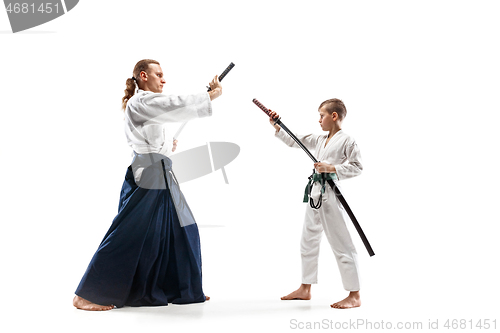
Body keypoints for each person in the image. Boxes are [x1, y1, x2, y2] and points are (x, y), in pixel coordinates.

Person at [73, 59, 222, 311]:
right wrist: (209, 96)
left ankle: (179, 288)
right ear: (143, 76)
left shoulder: (148, 105)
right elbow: (173, 104)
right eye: (159, 74)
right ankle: (87, 294)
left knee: (180, 229)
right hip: (149, 174)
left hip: (160, 171)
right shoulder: (141, 101)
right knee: (128, 233)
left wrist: (166, 146)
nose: (163, 79)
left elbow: (158, 125)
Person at [268, 99, 363, 309]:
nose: (319, 119)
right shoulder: (320, 139)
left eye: (322, 115)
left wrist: (332, 169)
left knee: (341, 243)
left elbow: (357, 167)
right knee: (308, 241)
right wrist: (277, 124)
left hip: (331, 194)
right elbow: (294, 140)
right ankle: (305, 288)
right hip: (315, 194)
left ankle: (354, 294)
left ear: (334, 116)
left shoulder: (347, 141)